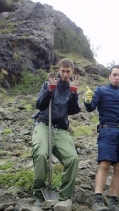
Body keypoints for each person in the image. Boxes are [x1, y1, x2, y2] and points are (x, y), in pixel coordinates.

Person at [84, 65, 119, 211]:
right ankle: (97, 200)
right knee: (105, 164)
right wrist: (88, 101)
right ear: (109, 76)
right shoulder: (101, 91)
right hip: (107, 130)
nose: (117, 78)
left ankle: (113, 201)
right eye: (114, 75)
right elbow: (91, 107)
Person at [31, 58, 81, 203]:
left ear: (72, 72)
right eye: (63, 71)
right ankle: (39, 192)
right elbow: (39, 105)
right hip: (43, 124)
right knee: (40, 154)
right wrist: (50, 90)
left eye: (68, 72)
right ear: (59, 70)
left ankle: (64, 197)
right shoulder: (48, 84)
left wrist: (74, 93)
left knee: (72, 159)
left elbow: (73, 110)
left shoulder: (71, 88)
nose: (65, 74)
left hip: (61, 129)